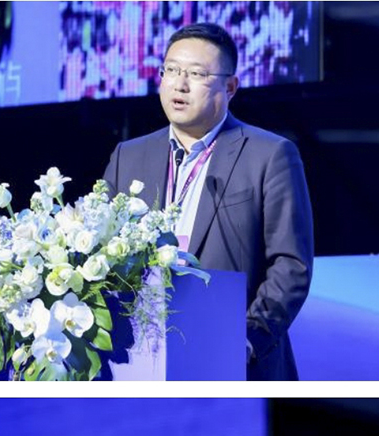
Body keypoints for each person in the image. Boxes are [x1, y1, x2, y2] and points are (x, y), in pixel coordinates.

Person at [103, 23, 314, 381]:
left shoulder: (270, 154)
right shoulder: (129, 155)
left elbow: (290, 265)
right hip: (140, 359)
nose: (179, 84)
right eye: (171, 70)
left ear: (230, 87)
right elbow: (102, 251)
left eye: (197, 74)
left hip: (235, 359)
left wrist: (246, 339)